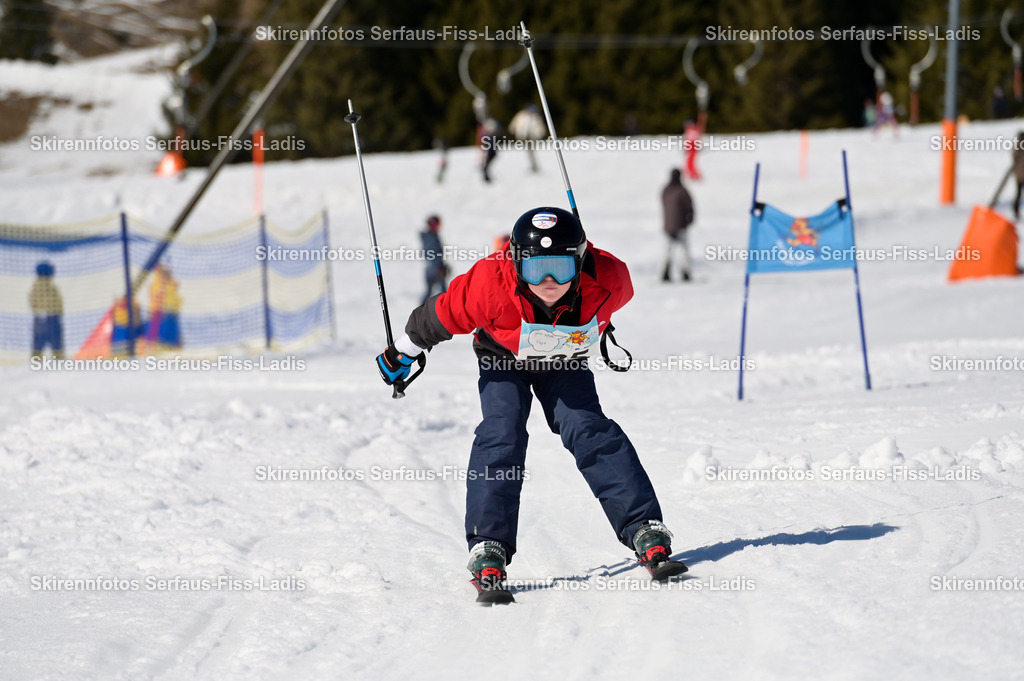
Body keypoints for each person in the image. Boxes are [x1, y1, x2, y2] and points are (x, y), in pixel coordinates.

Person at [375, 206, 680, 601]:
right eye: (536, 270)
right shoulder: (490, 284)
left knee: (587, 428)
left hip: (564, 358)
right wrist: (403, 352)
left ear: (581, 260)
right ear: (517, 263)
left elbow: (605, 298)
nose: (550, 281)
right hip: (502, 357)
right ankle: (488, 545)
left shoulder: (611, 280)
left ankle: (643, 526)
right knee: (501, 432)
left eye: (562, 268)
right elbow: (441, 313)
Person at [661, 168, 695, 282]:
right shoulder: (682, 190)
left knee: (668, 250)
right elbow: (689, 206)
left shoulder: (666, 190)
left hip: (668, 226)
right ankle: (685, 273)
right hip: (680, 225)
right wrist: (690, 218)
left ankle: (665, 272)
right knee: (683, 250)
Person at [29, 261, 64, 359]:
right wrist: (59, 312)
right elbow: (58, 301)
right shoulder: (51, 287)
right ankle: (59, 358)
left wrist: (38, 310)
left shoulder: (35, 286)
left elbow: (32, 301)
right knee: (56, 340)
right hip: (52, 318)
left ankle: (36, 358)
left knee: (38, 341)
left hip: (39, 319)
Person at [146, 263, 183, 350]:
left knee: (169, 342)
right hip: (160, 316)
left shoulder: (170, 284)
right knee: (161, 342)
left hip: (167, 315)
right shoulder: (157, 285)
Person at [507, 104, 546, 173]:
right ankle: (529, 165)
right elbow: (515, 122)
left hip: (532, 137)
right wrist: (512, 129)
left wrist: (540, 134)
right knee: (525, 150)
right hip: (522, 136)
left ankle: (534, 166)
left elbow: (540, 128)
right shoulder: (521, 115)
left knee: (530, 150)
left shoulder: (536, 118)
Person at [420, 215, 448, 304]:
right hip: (434, 269)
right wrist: (437, 267)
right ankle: (420, 311)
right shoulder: (430, 237)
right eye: (437, 224)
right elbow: (429, 254)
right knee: (443, 292)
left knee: (435, 291)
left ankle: (420, 310)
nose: (439, 226)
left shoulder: (433, 236)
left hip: (435, 268)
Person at [477, 117, 500, 183]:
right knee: (486, 165)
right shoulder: (489, 138)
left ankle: (486, 176)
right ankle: (486, 177)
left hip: (491, 153)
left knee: (487, 165)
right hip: (490, 153)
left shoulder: (492, 137)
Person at [1012, 131, 1024, 221]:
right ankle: (1016, 211)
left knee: (1018, 194)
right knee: (1018, 194)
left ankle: (1016, 211)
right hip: (1020, 175)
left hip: (1018, 175)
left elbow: (1013, 155)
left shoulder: (1017, 146)